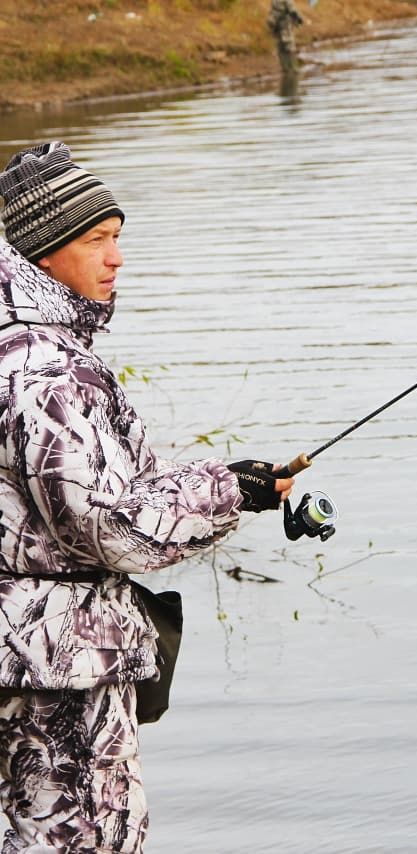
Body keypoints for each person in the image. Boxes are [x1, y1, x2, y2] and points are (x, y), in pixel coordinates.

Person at [0, 141, 293, 852]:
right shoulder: (45, 370)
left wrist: (231, 484)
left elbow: (102, 490)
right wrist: (224, 492)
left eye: (117, 238)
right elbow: (103, 527)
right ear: (42, 251)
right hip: (54, 666)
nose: (116, 258)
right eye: (97, 240)